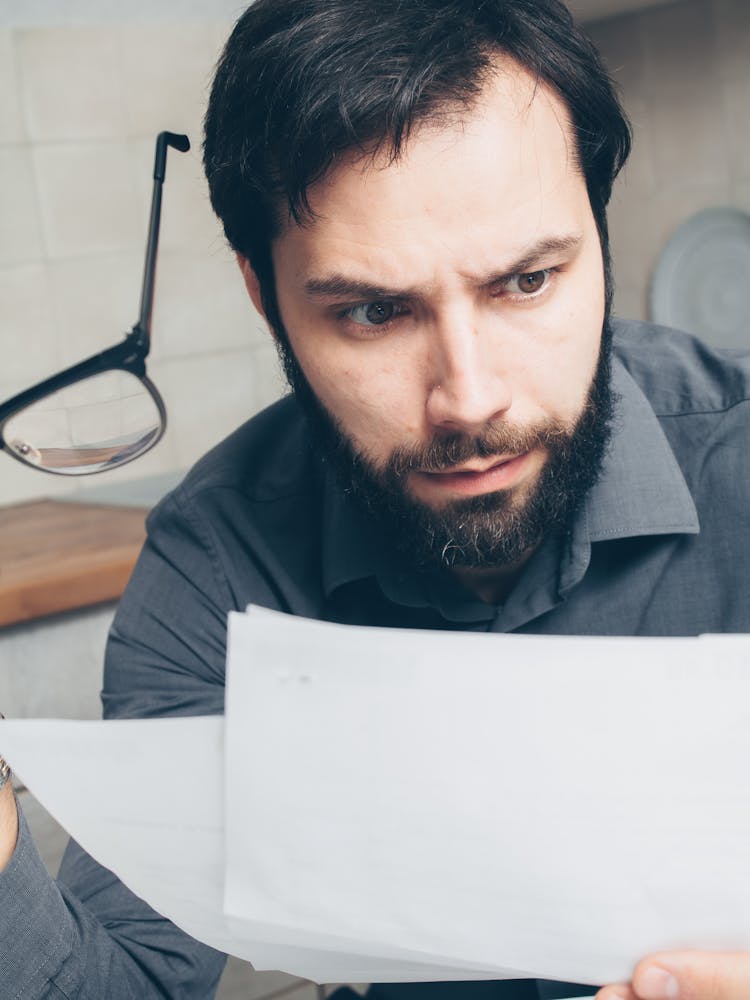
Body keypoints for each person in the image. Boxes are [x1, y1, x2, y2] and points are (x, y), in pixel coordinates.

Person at [1, 0, 749, 998]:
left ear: (600, 242)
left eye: (527, 281)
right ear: (267, 298)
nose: (470, 396)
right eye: (370, 311)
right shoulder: (218, 558)